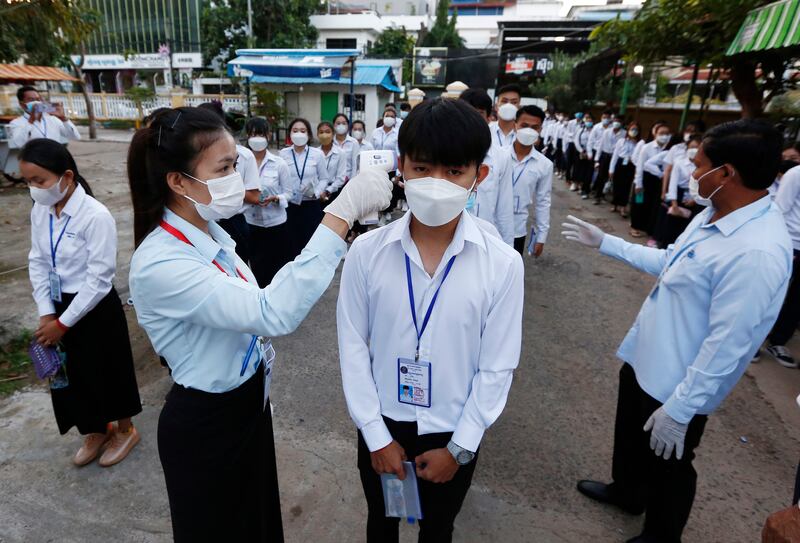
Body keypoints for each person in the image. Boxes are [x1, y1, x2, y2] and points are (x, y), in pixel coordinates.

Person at [127, 107, 392, 542]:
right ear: (178, 181)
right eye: (226, 167)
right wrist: (340, 214)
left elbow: (256, 306)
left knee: (258, 523)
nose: (239, 176)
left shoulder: (211, 231)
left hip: (247, 405)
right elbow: (272, 311)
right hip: (207, 426)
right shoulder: (160, 262)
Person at [562, 119, 792, 543]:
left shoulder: (757, 251)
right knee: (631, 439)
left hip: (678, 382)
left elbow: (729, 344)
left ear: (726, 174)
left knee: (671, 462)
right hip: (647, 357)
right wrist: (607, 243)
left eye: (697, 163)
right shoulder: (715, 215)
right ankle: (628, 492)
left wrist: (683, 408)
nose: (690, 170)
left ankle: (661, 535)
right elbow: (671, 263)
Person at [337, 97, 523, 543]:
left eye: (454, 172)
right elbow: (353, 346)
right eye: (422, 169)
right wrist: (375, 435)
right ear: (401, 166)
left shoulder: (501, 263)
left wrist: (460, 448)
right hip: (382, 421)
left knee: (437, 528)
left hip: (453, 428)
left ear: (479, 176)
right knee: (380, 523)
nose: (436, 183)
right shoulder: (366, 252)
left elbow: (497, 365)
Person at [23, 138, 142, 467]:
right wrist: (48, 312)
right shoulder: (41, 211)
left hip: (95, 308)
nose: (34, 189)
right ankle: (94, 430)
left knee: (109, 371)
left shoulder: (96, 216)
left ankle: (125, 429)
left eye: (40, 181)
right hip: (58, 307)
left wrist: (63, 324)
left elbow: (99, 279)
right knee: (73, 376)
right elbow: (37, 261)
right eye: (29, 182)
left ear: (67, 177)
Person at [197, 101, 261, 262]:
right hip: (202, 220)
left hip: (233, 221)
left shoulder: (244, 154)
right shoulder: (192, 157)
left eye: (234, 165)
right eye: (224, 167)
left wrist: (230, 188)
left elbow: (254, 196)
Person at [243, 117, 296, 287]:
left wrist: (276, 198)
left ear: (268, 135)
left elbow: (289, 193)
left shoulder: (279, 163)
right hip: (252, 224)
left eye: (261, 134)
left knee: (279, 268)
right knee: (258, 268)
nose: (257, 139)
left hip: (276, 224)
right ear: (247, 136)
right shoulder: (240, 163)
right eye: (253, 134)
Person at [458, 88, 515, 245]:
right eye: (465, 113)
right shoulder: (442, 153)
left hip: (484, 240)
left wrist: (508, 248)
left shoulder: (501, 157)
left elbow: (504, 209)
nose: (471, 120)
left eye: (479, 114)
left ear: (490, 117)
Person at [758, 162, 800, 368]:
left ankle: (778, 341)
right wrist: (781, 244)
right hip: (791, 244)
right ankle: (753, 339)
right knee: (772, 293)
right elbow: (780, 210)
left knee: (797, 301)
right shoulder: (795, 174)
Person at [280, 118, 330, 256]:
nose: (299, 134)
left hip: (311, 206)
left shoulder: (317, 154)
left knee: (310, 244)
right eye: (295, 131)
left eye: (303, 131)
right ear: (290, 134)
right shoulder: (283, 154)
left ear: (308, 134)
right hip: (290, 207)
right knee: (291, 245)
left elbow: (324, 178)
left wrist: (317, 191)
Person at [510, 105, 553, 257]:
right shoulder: (498, 156)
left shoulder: (544, 164)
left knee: (510, 275)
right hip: (489, 226)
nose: (529, 131)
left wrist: (541, 236)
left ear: (540, 130)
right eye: (524, 126)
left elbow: (543, 201)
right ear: (515, 125)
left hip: (517, 229)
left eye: (534, 127)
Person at [630, 124, 671, 238]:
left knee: (652, 204)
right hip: (644, 178)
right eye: (661, 133)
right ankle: (634, 226)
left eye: (667, 134)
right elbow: (640, 165)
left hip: (658, 180)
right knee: (639, 202)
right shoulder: (646, 147)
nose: (664, 136)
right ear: (655, 134)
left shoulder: (668, 149)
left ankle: (646, 226)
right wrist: (638, 183)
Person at [661, 135, 703, 246]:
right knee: (672, 226)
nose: (694, 150)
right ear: (687, 148)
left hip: (695, 197)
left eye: (697, 148)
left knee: (687, 228)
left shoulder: (704, 166)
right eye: (691, 147)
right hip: (679, 196)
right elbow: (673, 183)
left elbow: (703, 184)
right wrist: (674, 203)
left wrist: (694, 200)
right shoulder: (679, 163)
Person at [9, 86, 81, 149]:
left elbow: (75, 137)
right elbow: (19, 144)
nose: (36, 102)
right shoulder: (16, 123)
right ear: (22, 104)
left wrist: (63, 118)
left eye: (38, 99)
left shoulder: (53, 119)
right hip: (35, 162)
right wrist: (31, 121)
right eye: (31, 100)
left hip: (55, 159)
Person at [609, 122, 641, 216]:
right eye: (632, 129)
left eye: (636, 129)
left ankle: (623, 207)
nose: (633, 131)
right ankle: (615, 204)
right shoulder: (621, 141)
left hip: (631, 165)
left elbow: (638, 156)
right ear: (628, 130)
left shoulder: (639, 143)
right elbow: (615, 155)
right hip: (620, 163)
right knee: (617, 185)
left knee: (626, 187)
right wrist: (611, 169)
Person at [594, 114, 626, 204]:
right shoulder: (607, 132)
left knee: (612, 177)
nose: (617, 123)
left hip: (615, 157)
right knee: (601, 176)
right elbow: (600, 145)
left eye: (619, 121)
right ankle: (598, 196)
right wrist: (597, 159)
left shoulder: (624, 134)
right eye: (615, 121)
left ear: (622, 123)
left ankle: (607, 196)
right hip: (605, 156)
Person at [317, 121, 348, 202]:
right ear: (317, 135)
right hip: (316, 193)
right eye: (321, 132)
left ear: (333, 134)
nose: (324, 135)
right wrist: (319, 191)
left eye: (327, 132)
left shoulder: (341, 153)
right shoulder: (314, 153)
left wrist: (328, 191)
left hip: (334, 194)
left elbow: (341, 178)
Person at [489, 83, 521, 148]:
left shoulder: (523, 133)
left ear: (519, 107)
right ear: (496, 106)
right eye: (504, 101)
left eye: (514, 102)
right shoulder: (486, 130)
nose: (508, 105)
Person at [332, 113, 359, 181]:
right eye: (338, 123)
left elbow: (354, 165)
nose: (341, 125)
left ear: (348, 125)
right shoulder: (330, 142)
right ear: (333, 125)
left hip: (347, 180)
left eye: (344, 123)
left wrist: (352, 181)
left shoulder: (353, 142)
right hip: (332, 181)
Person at [573, 113, 594, 198]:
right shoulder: (581, 130)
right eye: (587, 120)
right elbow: (576, 141)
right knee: (579, 169)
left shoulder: (593, 131)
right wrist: (581, 151)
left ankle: (584, 188)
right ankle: (577, 184)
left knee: (587, 171)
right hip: (581, 151)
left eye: (590, 121)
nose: (589, 122)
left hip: (590, 153)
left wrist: (589, 153)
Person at [565, 112, 584, 190]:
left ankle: (574, 180)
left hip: (578, 145)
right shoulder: (571, 122)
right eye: (577, 116)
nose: (578, 118)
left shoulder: (583, 124)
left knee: (577, 163)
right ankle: (568, 178)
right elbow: (568, 132)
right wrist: (574, 135)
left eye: (580, 117)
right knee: (569, 162)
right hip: (571, 143)